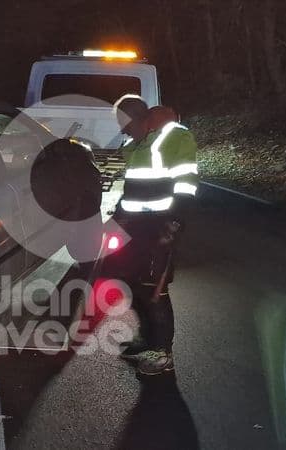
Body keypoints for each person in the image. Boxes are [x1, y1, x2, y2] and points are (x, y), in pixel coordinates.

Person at [111, 95, 198, 375]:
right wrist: (119, 215)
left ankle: (162, 353)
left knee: (155, 289)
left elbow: (185, 183)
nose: (122, 130)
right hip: (136, 228)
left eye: (124, 124)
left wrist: (173, 223)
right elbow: (135, 189)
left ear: (140, 118)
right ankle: (147, 340)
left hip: (160, 228)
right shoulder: (135, 144)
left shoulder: (174, 139)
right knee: (134, 283)